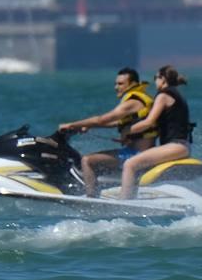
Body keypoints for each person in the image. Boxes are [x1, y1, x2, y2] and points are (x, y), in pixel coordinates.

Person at [60, 68, 156, 197]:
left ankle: (91, 198)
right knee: (98, 163)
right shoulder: (139, 101)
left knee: (87, 160)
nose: (116, 87)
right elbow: (115, 123)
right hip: (136, 152)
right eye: (116, 84)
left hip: (135, 154)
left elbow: (102, 119)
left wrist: (71, 124)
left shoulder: (133, 102)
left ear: (133, 84)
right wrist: (87, 126)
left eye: (121, 84)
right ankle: (106, 193)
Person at [118, 65, 191, 199]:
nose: (154, 81)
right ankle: (136, 194)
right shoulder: (176, 94)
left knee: (130, 164)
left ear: (162, 79)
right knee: (139, 165)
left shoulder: (163, 95)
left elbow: (149, 122)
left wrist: (126, 132)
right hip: (181, 146)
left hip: (175, 146)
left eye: (155, 78)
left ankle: (124, 201)